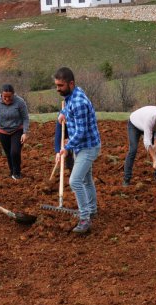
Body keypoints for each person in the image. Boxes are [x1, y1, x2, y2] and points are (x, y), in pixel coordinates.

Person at [54, 67, 101, 234]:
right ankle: (92, 210)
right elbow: (68, 107)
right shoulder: (72, 95)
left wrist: (66, 148)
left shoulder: (79, 102)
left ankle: (84, 218)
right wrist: (62, 113)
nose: (58, 89)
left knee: (74, 181)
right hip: (82, 146)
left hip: (87, 147)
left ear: (71, 83)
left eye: (60, 85)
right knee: (86, 180)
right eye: (56, 85)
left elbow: (81, 133)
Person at [123, 103, 156, 186]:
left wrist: (155, 145)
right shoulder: (151, 118)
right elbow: (147, 141)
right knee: (133, 150)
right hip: (135, 124)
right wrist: (154, 160)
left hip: (149, 126)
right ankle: (126, 179)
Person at [0, 84, 30, 180]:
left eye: (9, 97)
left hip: (17, 130)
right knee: (8, 153)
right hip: (2, 131)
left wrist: (25, 132)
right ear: (1, 95)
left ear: (13, 95)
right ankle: (12, 172)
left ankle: (17, 173)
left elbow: (25, 118)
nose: (7, 99)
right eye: (4, 96)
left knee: (15, 152)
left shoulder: (20, 102)